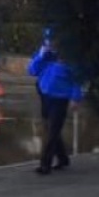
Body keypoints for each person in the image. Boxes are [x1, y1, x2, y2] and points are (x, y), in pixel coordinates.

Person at [28, 33, 83, 175]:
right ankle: (63, 158)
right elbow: (32, 70)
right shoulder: (45, 56)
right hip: (45, 96)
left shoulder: (70, 59)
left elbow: (77, 80)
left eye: (53, 41)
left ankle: (45, 164)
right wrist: (41, 55)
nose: (51, 44)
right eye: (48, 42)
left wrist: (75, 98)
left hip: (60, 99)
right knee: (51, 129)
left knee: (52, 131)